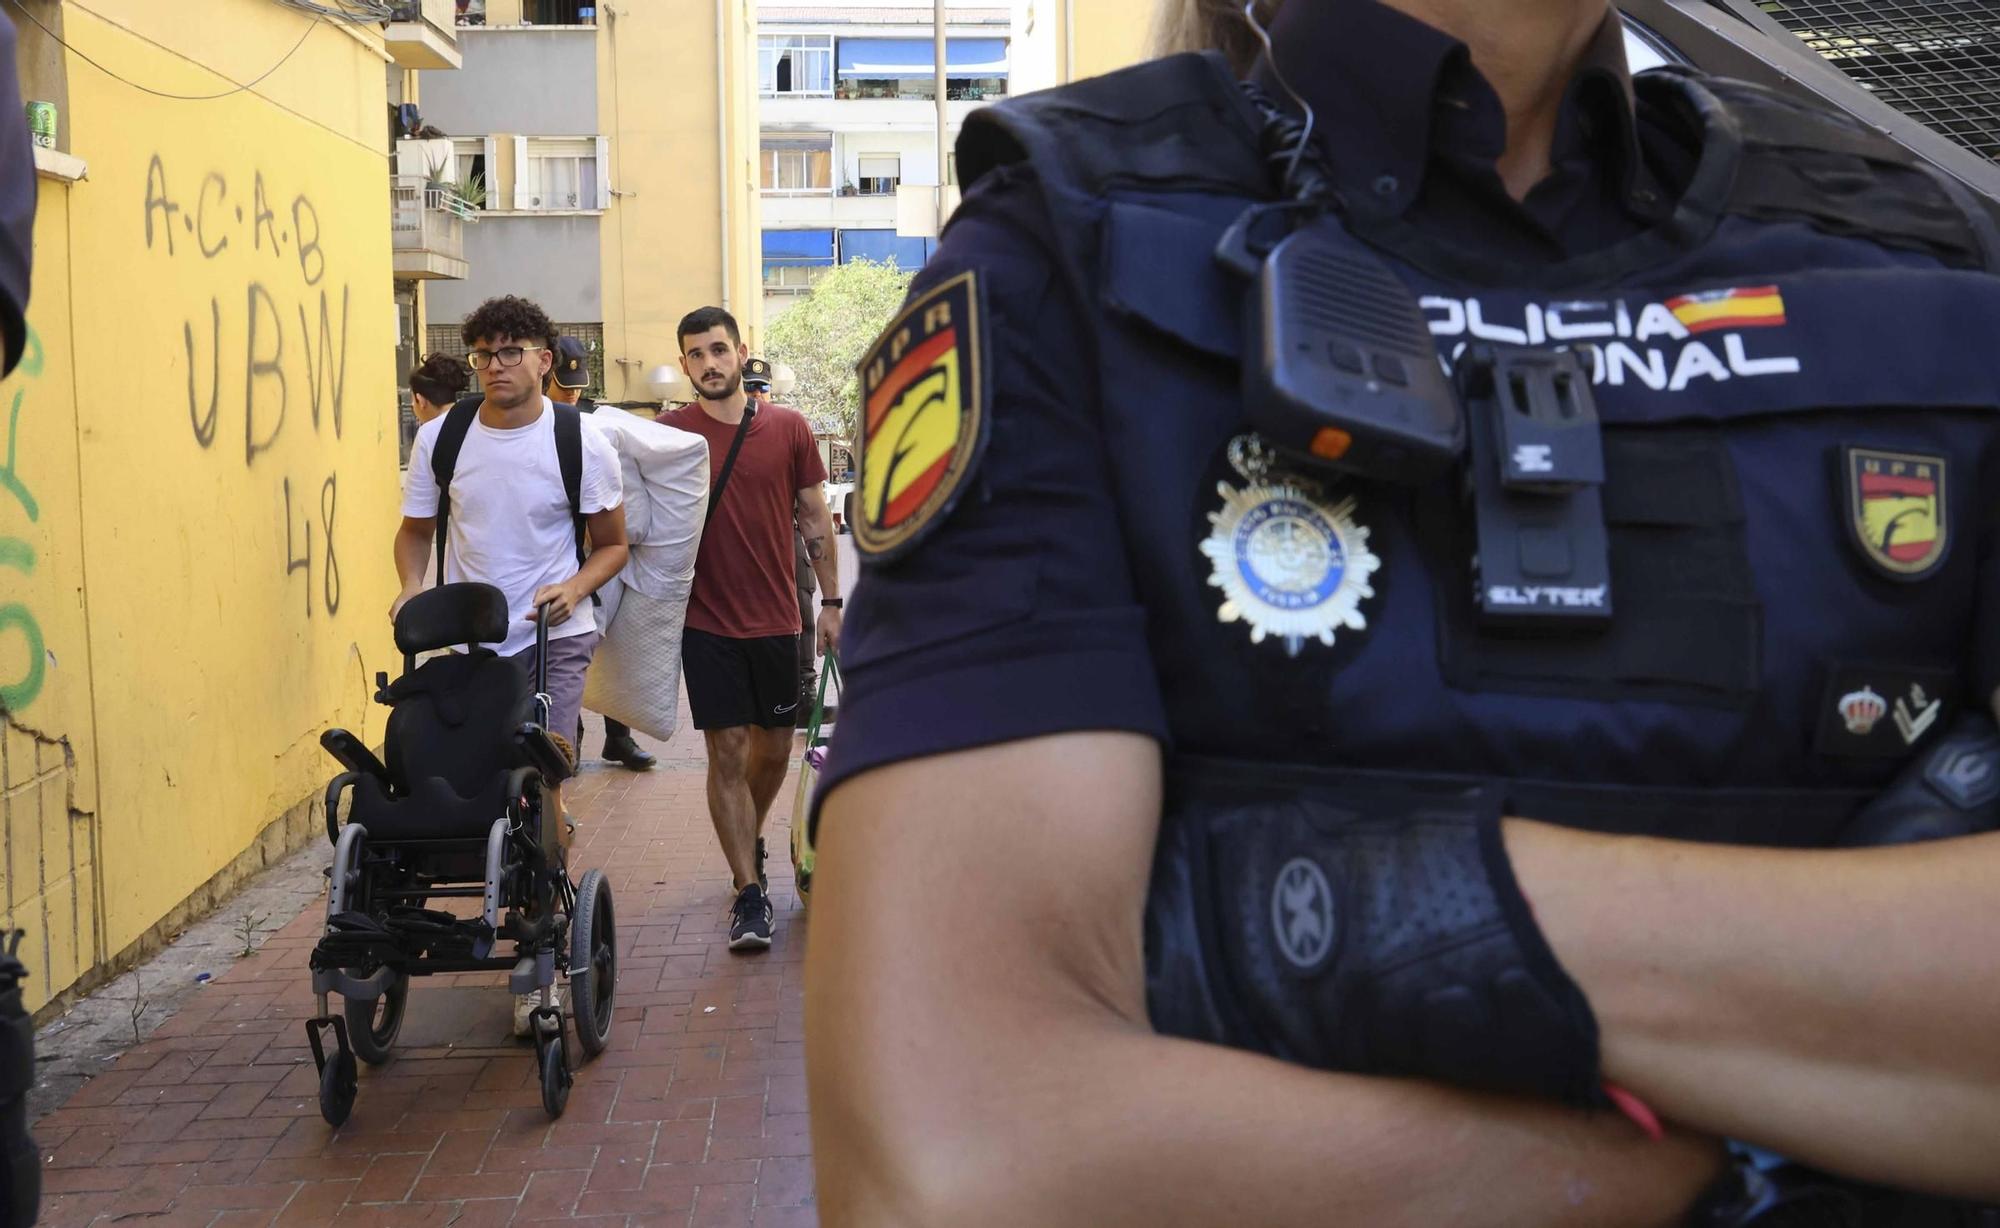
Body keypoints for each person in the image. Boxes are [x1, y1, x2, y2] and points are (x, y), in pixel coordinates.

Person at [801, 0, 2000, 1223]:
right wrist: (1751, 1136)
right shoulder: (1060, 244)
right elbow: (959, 1169)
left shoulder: (1928, 251)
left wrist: (1343, 919)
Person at [392, 295, 628, 1035]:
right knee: (486, 783)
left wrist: (575, 586)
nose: (496, 366)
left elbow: (614, 544)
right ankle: (532, 857)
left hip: (553, 635)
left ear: (543, 359)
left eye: (511, 352)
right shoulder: (442, 435)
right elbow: (414, 532)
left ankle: (537, 959)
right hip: (471, 648)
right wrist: (411, 588)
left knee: (540, 779)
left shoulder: (579, 441)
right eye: (484, 354)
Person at [658, 309, 839, 952]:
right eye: (696, 355)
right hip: (705, 622)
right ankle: (748, 892)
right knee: (727, 750)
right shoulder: (669, 435)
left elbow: (815, 516)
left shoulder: (788, 429)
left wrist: (833, 603)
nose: (709, 363)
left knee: (772, 751)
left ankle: (748, 837)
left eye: (718, 350)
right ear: (684, 366)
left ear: (740, 353)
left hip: (778, 618)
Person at [545, 335, 657, 772]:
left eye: (576, 385)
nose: (571, 393)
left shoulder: (595, 423)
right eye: (563, 384)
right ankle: (565, 737)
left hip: (597, 550)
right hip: (555, 552)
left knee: (611, 645)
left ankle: (619, 737)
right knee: (566, 650)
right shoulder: (531, 421)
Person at [408, 351, 469, 426]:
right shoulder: (470, 424)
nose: (412, 405)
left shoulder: (427, 433)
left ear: (421, 401)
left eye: (413, 400)